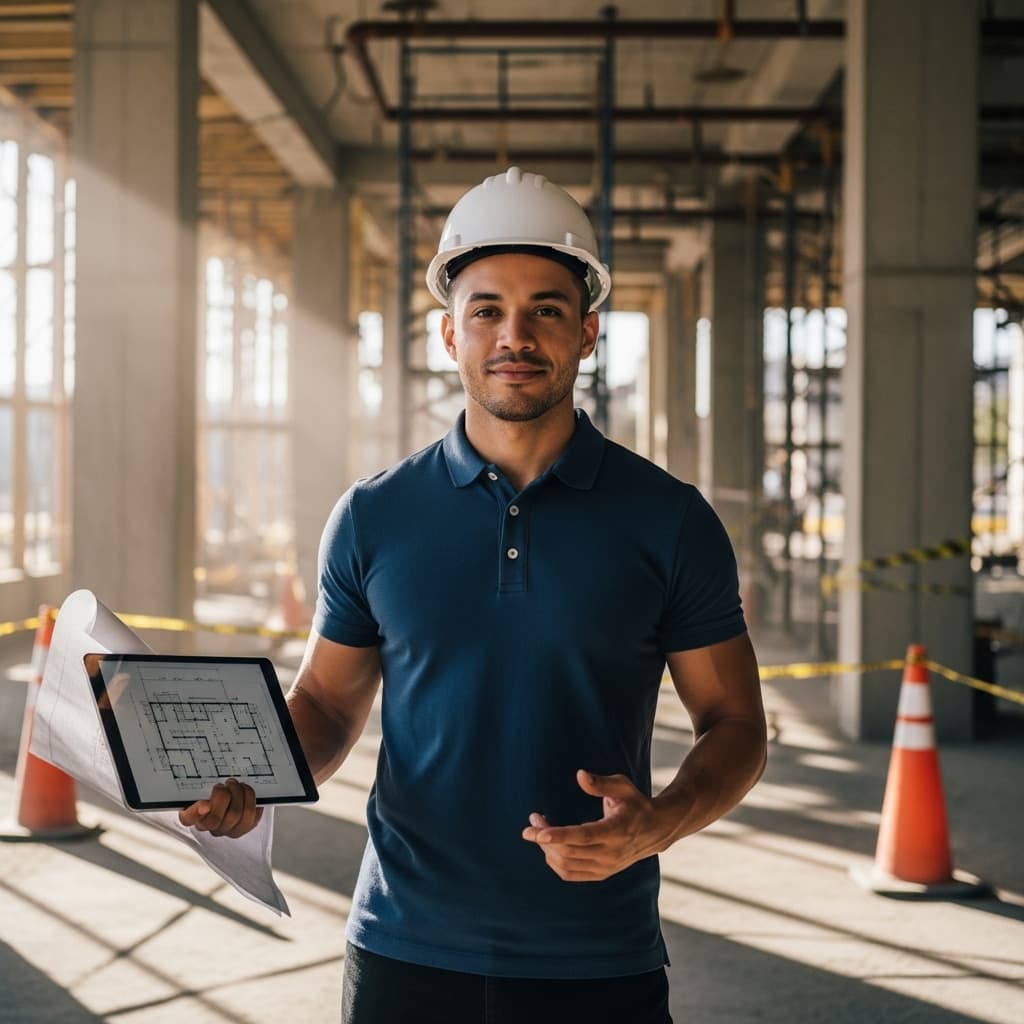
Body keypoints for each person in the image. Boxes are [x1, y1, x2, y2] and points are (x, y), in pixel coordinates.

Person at [180, 166, 767, 1024]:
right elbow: (328, 708)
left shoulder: (669, 521)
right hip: (404, 948)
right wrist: (256, 780)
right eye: (487, 308)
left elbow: (738, 725)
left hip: (597, 958)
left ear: (589, 332)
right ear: (449, 335)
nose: (515, 336)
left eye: (547, 309)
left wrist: (660, 821)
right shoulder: (373, 516)